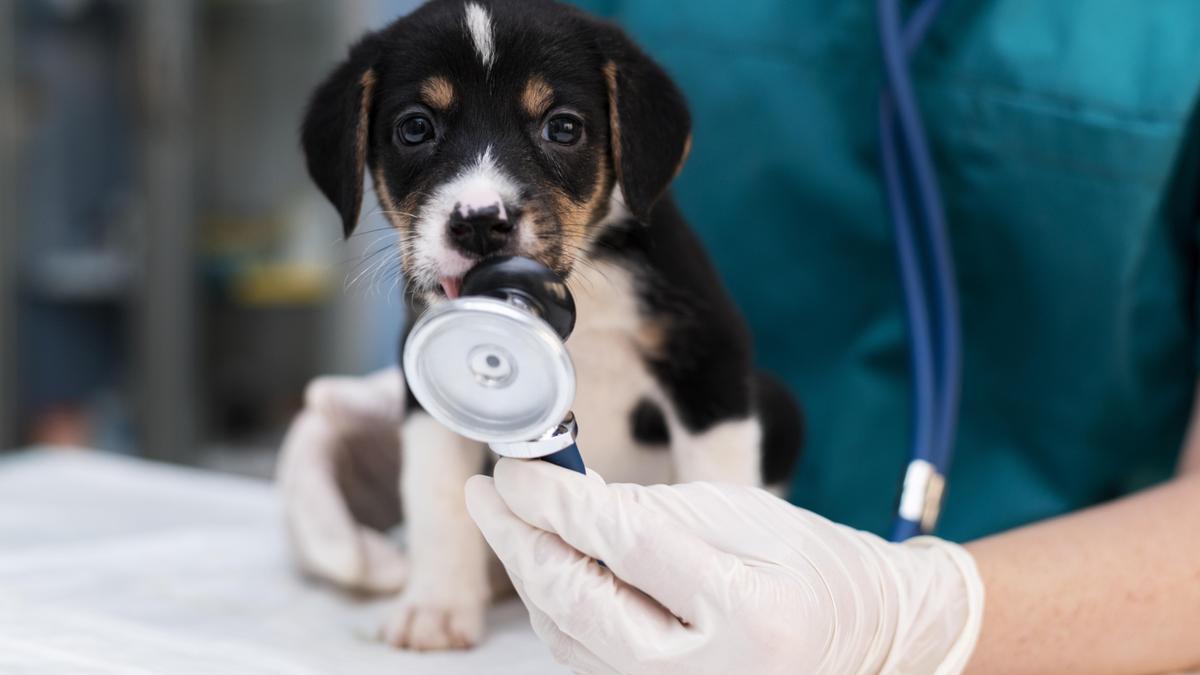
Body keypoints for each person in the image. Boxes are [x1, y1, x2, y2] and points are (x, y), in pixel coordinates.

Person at [282, 1, 1200, 672]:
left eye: (559, 129)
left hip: (1085, 612)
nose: (482, 201)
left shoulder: (650, 262)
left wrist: (914, 616)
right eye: (415, 130)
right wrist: (429, 427)